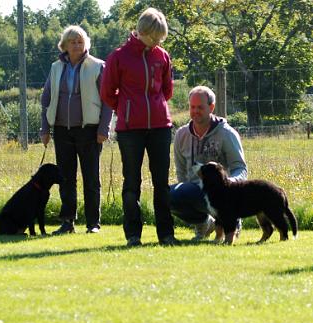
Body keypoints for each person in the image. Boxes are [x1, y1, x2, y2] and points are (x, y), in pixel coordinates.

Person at [100, 8, 177, 247]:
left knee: (161, 183)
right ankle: (133, 235)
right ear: (141, 31)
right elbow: (107, 92)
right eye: (154, 37)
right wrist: (125, 109)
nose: (157, 42)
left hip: (160, 127)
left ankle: (166, 234)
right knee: (131, 183)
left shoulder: (162, 56)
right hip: (130, 129)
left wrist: (157, 107)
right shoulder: (118, 57)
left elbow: (167, 90)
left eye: (160, 38)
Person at [41, 25, 112, 235]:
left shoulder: (98, 66)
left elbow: (108, 101)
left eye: (80, 41)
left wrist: (104, 128)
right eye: (72, 41)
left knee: (91, 179)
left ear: (86, 44)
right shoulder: (55, 68)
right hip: (62, 130)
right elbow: (46, 99)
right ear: (64, 45)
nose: (76, 45)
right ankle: (67, 222)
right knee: (66, 178)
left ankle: (93, 224)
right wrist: (45, 128)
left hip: (89, 131)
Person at [169, 85, 247, 241]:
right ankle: (203, 223)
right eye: (192, 107)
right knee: (168, 195)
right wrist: (184, 192)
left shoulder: (227, 134)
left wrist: (231, 183)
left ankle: (231, 221)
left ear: (211, 107)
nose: (195, 111)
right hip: (195, 190)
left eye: (200, 107)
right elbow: (181, 170)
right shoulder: (181, 135)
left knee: (219, 197)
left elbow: (240, 168)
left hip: (223, 192)